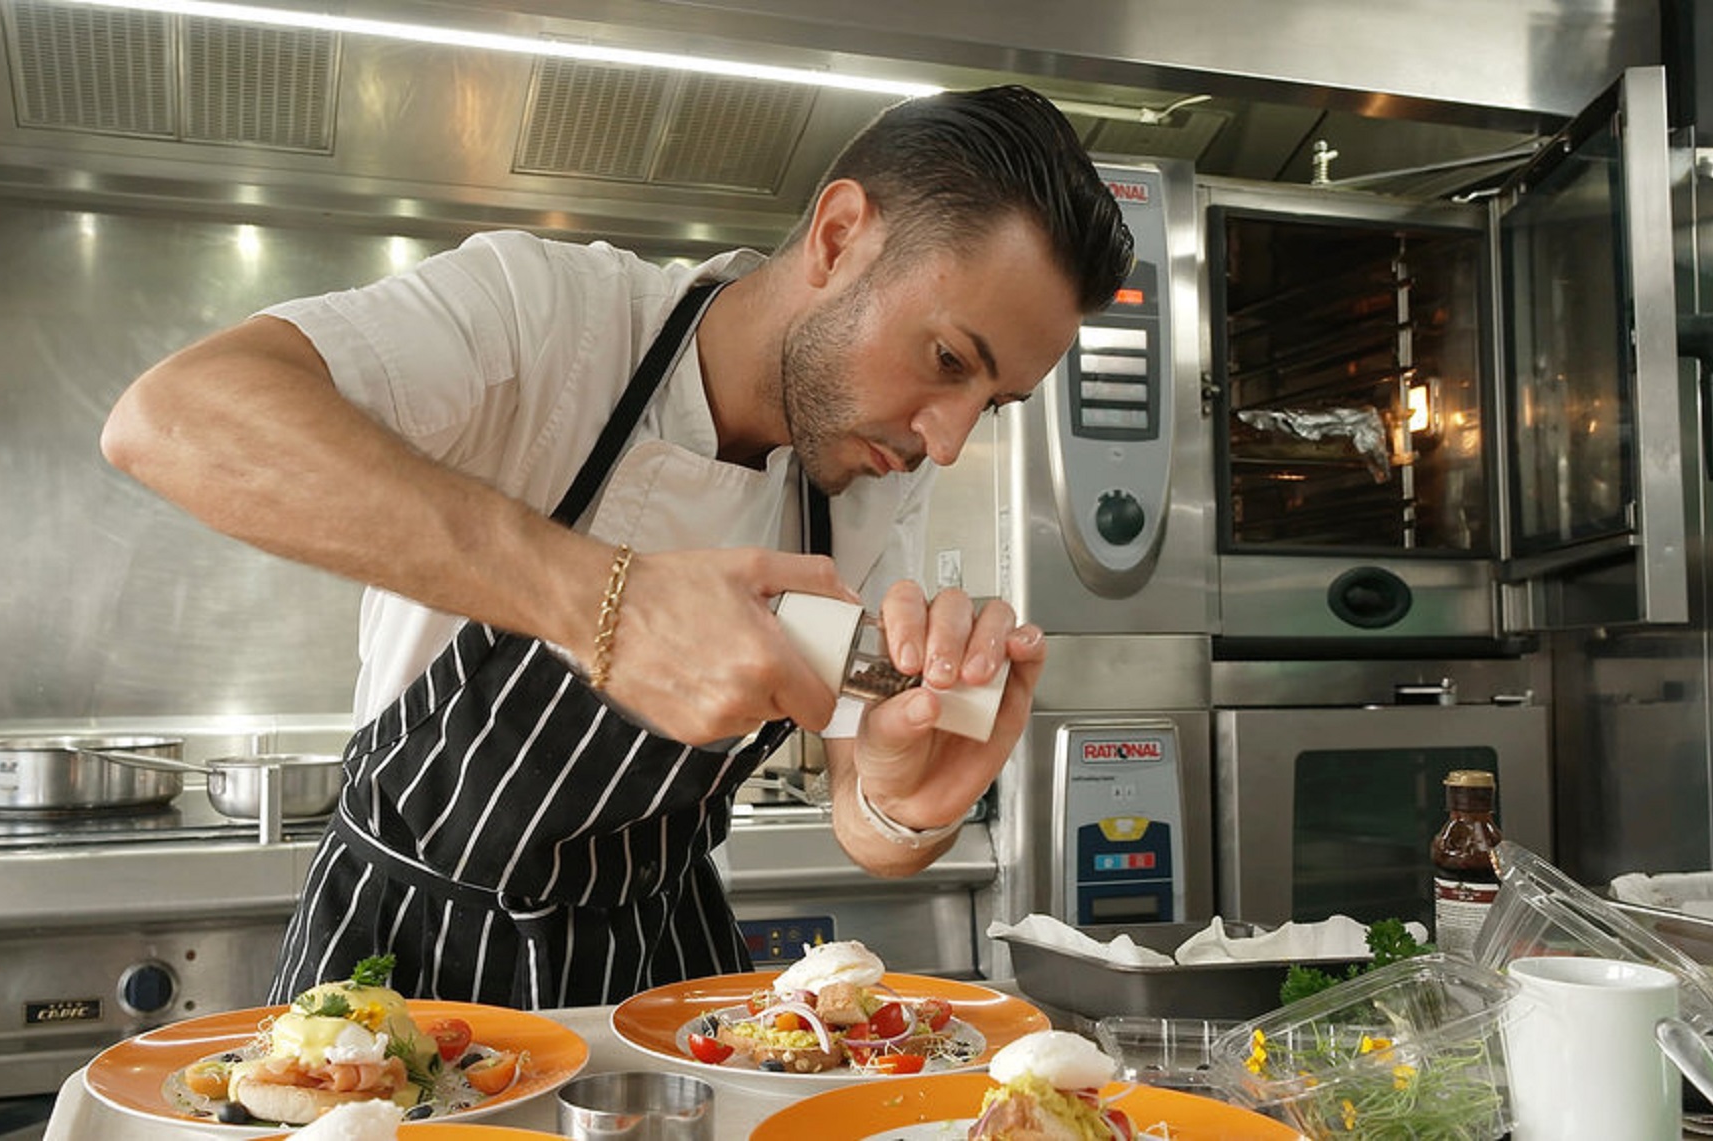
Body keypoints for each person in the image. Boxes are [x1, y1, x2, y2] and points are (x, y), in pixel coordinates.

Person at [101, 83, 1135, 1010]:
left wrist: (904, 804)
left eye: (990, 404)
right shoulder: (544, 315)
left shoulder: (868, 479)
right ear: (837, 236)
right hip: (398, 964)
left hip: (660, 976)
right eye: (949, 358)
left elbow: (861, 799)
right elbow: (172, 416)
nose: (945, 442)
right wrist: (606, 599)